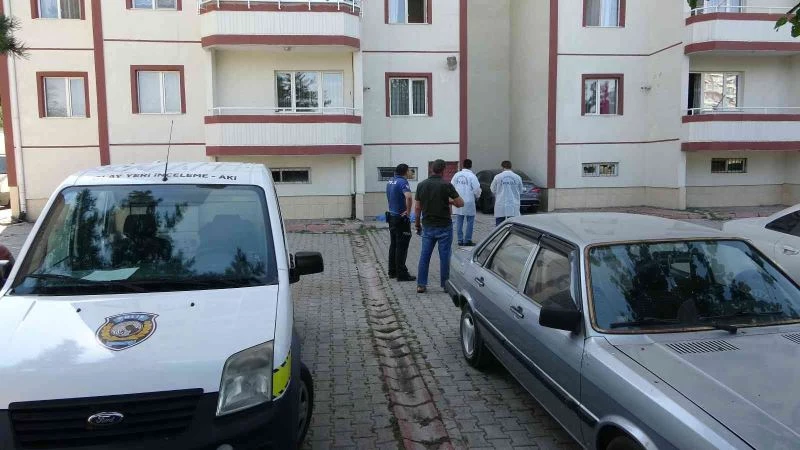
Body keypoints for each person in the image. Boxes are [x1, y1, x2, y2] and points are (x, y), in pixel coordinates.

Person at [414, 159, 464, 294]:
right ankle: (445, 284)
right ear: (443, 170)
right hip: (444, 226)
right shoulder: (446, 185)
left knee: (425, 256)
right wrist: (450, 201)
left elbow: (417, 207)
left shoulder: (421, 185)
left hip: (427, 226)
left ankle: (421, 285)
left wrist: (417, 223)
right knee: (445, 256)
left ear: (431, 169)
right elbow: (460, 203)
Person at [385, 164, 416, 282]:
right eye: (409, 170)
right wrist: (408, 212)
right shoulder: (403, 182)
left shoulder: (391, 181)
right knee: (402, 246)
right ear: (405, 172)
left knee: (394, 245)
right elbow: (409, 197)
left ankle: (392, 271)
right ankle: (402, 274)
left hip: (392, 217)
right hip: (400, 218)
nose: (411, 172)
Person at [451, 159, 481, 246]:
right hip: (469, 201)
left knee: (459, 220)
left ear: (462, 165)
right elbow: (476, 189)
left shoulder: (456, 175)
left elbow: (451, 187)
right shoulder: (472, 176)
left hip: (458, 200)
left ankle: (460, 240)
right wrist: (478, 196)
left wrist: (453, 198)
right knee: (470, 221)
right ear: (471, 166)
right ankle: (467, 240)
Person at [490, 160, 523, 226]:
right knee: (513, 223)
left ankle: (500, 232)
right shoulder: (517, 177)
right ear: (511, 167)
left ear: (502, 167)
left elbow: (492, 189)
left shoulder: (498, 177)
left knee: (499, 224)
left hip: (501, 203)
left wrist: (499, 192)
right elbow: (521, 190)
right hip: (513, 204)